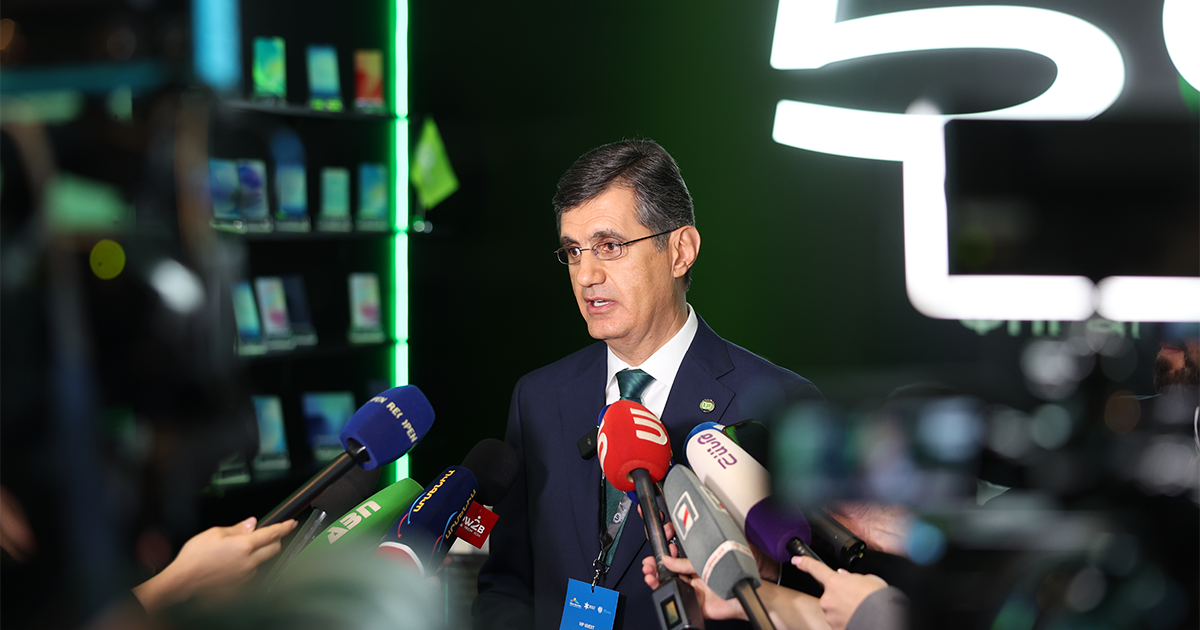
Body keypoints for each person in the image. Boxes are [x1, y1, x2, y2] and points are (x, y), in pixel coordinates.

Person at [473, 140, 822, 630]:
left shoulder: (778, 403)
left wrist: (768, 576)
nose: (586, 275)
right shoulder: (537, 398)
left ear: (680, 251)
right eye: (573, 251)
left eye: (610, 246)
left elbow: (821, 592)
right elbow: (506, 584)